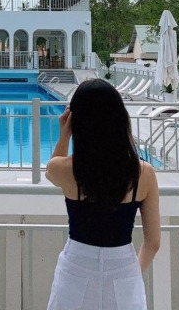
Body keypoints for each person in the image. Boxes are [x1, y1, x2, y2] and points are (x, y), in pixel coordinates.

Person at [45, 78, 161, 310]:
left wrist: (65, 135)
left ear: (77, 121)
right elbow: (153, 242)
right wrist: (130, 273)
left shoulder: (67, 170)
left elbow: (51, 170)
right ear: (120, 120)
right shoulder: (143, 173)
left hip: (76, 268)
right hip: (123, 269)